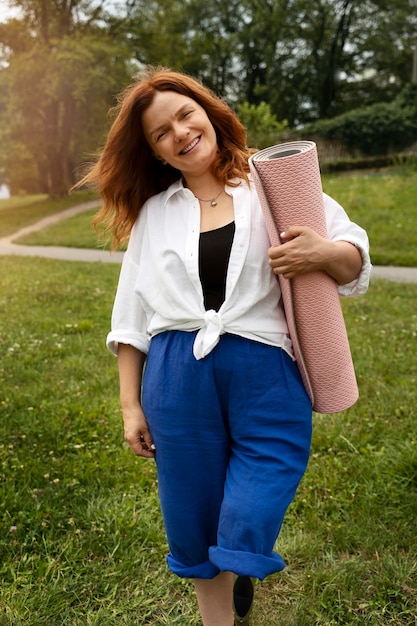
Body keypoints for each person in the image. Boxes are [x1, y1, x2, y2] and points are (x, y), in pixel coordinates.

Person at [77, 66, 371, 626]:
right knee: (192, 519)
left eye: (185, 115)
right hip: (175, 378)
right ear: (156, 152)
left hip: (264, 370)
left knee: (253, 498)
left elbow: (352, 253)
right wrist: (129, 404)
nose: (180, 133)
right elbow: (131, 316)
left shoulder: (273, 187)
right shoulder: (154, 216)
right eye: (161, 133)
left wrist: (320, 254)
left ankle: (237, 561)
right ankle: (220, 602)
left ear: (208, 112)